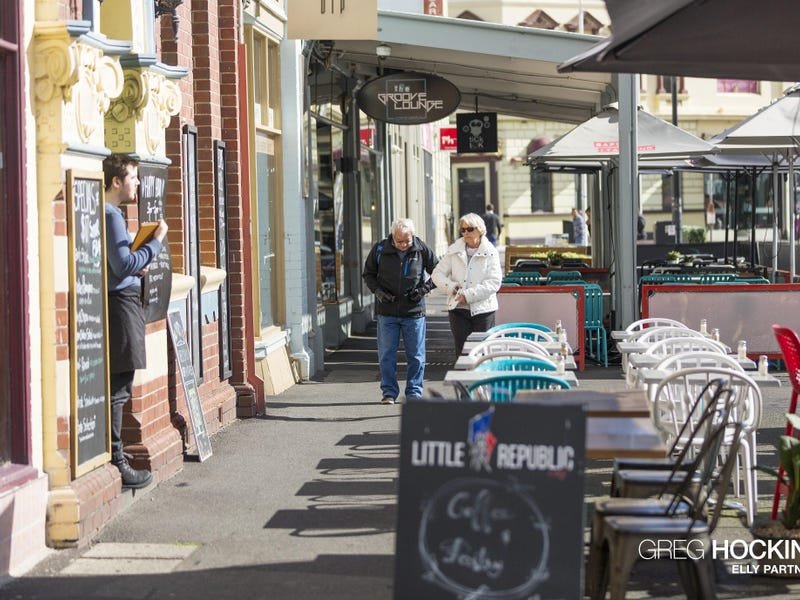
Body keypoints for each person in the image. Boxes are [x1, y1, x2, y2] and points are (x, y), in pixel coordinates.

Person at [103, 154, 168, 489]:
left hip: (121, 302)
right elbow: (122, 265)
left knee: (121, 384)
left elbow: (123, 262)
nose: (139, 183)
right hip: (120, 305)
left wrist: (135, 262)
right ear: (117, 181)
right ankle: (117, 460)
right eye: (133, 177)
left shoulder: (111, 214)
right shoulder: (111, 215)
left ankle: (116, 457)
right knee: (119, 386)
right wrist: (155, 243)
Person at [362, 218, 437, 404]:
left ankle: (414, 393)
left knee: (416, 356)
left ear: (413, 235)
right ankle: (389, 393)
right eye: (399, 241)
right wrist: (379, 293)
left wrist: (423, 290)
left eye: (407, 241)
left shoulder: (421, 249)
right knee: (387, 355)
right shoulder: (380, 249)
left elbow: (439, 272)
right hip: (387, 312)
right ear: (392, 237)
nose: (403, 245)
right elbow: (368, 274)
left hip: (414, 312)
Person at [432, 213, 502, 357]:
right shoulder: (454, 249)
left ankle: (482, 379)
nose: (466, 233)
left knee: (482, 353)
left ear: (480, 230)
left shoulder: (491, 252)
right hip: (458, 309)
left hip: (483, 310)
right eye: (463, 230)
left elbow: (494, 282)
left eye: (470, 229)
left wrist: (468, 295)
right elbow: (436, 274)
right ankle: (462, 380)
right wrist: (451, 287)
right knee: (462, 353)